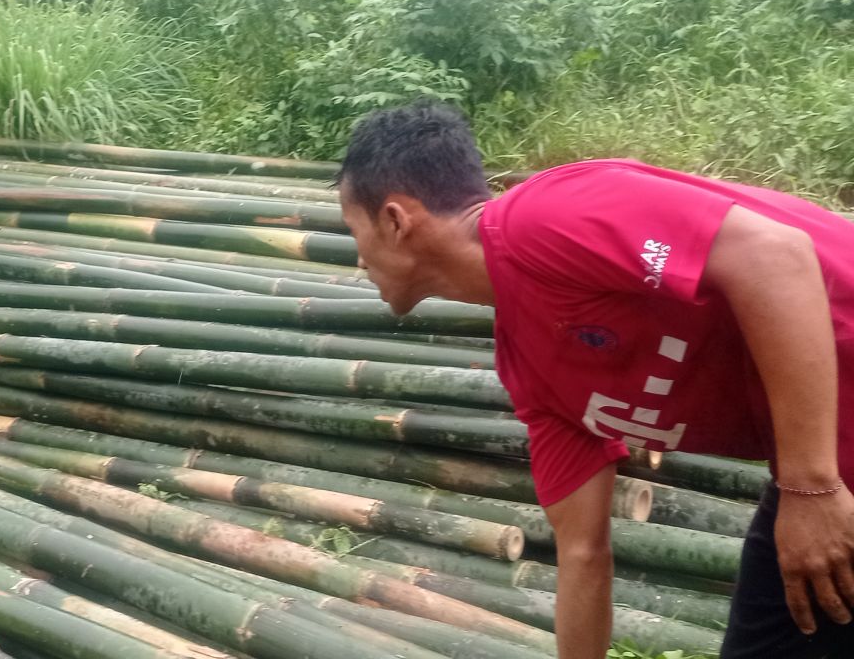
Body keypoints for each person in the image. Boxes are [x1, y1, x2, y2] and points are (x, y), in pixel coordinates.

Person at [336, 102, 854, 659]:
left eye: (353, 230)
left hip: (821, 479)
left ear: (394, 220)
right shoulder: (533, 370)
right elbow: (582, 556)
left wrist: (810, 487)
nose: (359, 259)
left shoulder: (548, 216)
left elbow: (776, 257)